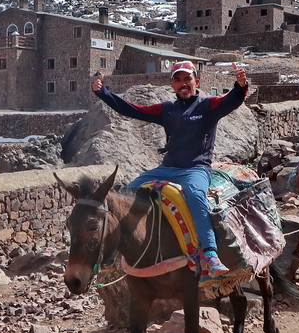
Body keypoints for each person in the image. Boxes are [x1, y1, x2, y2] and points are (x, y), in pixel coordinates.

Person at [91, 60, 249, 283]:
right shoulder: (167, 110)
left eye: (187, 79)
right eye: (178, 80)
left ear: (197, 81)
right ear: (172, 85)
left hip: (195, 169)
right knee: (125, 192)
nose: (183, 84)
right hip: (167, 168)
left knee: (195, 195)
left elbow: (231, 101)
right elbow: (132, 109)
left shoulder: (208, 106)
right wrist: (103, 93)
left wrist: (241, 86)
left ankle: (210, 253)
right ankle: (110, 255)